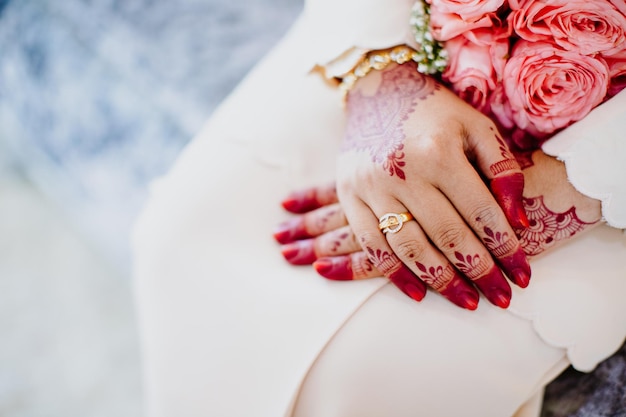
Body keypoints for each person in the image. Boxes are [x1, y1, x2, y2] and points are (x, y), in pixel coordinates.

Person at [131, 0, 626, 416]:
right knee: (182, 241)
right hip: (404, 38)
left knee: (381, 374)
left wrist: (582, 181)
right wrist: (382, 76)